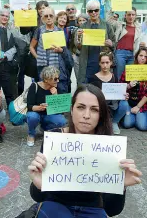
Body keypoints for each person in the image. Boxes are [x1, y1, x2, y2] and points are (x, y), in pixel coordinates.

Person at [28, 84, 142, 217]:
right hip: (55, 207)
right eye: (81, 107)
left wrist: (121, 186)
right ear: (71, 110)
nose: (86, 115)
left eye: (94, 110)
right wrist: (37, 183)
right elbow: (38, 197)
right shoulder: (54, 140)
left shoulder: (108, 147)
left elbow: (112, 210)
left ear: (101, 115)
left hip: (92, 209)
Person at [30, 7, 71, 93]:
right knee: (44, 92)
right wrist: (37, 57)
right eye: (46, 16)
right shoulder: (39, 30)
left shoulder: (59, 31)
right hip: (42, 67)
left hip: (57, 67)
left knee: (58, 91)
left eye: (51, 16)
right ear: (42, 18)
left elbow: (64, 50)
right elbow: (31, 47)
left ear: (55, 17)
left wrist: (60, 50)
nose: (48, 18)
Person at [76, 0, 116, 85]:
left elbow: (115, 42)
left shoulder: (107, 25)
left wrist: (111, 44)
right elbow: (78, 47)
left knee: (101, 89)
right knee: (86, 87)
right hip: (87, 62)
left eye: (96, 10)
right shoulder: (83, 26)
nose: (93, 13)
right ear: (87, 12)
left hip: (102, 63)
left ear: (99, 10)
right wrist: (78, 38)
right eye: (91, 11)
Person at [26, 66, 67, 147]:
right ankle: (31, 134)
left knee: (61, 121)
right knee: (32, 116)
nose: (58, 81)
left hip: (49, 114)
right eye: (55, 79)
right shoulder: (34, 86)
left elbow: (61, 110)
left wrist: (56, 95)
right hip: (36, 113)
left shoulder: (57, 87)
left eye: (58, 78)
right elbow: (29, 106)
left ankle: (45, 128)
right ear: (46, 79)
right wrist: (39, 107)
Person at [113, 48, 147, 133]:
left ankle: (138, 115)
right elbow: (119, 87)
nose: (143, 58)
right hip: (128, 102)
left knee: (142, 126)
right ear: (136, 56)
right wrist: (128, 86)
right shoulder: (129, 70)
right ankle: (130, 114)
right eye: (141, 55)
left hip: (142, 104)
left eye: (145, 57)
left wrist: (138, 107)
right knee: (127, 124)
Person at [89, 50, 121, 134]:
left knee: (124, 104)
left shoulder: (114, 76)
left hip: (112, 105)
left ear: (111, 63)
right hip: (100, 105)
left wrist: (123, 95)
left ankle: (114, 122)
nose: (105, 65)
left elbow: (117, 92)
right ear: (99, 63)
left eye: (107, 62)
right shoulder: (94, 78)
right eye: (102, 63)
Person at [115, 7, 145, 79]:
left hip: (133, 54)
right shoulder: (120, 24)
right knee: (120, 75)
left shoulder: (139, 27)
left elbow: (140, 41)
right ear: (125, 15)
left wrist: (142, 44)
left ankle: (128, 90)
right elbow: (109, 20)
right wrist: (113, 7)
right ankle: (119, 90)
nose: (131, 17)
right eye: (129, 14)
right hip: (120, 53)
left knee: (130, 77)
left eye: (133, 14)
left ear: (135, 16)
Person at [72, 13, 89, 80]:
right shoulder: (76, 31)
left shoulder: (91, 31)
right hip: (78, 57)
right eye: (80, 20)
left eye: (84, 20)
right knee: (78, 78)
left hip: (87, 57)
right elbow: (73, 44)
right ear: (77, 22)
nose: (82, 22)